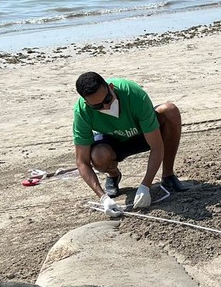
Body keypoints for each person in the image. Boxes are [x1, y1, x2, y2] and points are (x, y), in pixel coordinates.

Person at [72, 72, 189, 210]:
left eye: (108, 99)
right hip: (113, 142)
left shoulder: (133, 94)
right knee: (98, 156)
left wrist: (146, 185)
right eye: (98, 107)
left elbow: (157, 147)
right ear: (87, 104)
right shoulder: (82, 112)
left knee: (170, 111)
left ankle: (168, 176)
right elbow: (82, 162)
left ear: (111, 87)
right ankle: (114, 175)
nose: (106, 107)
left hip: (142, 134)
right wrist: (103, 198)